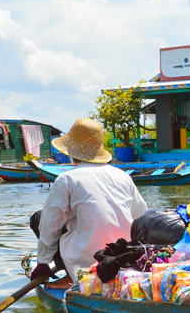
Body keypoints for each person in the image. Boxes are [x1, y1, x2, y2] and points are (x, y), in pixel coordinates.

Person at [30, 117, 147, 288]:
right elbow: (141, 217)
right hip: (123, 256)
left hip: (86, 263)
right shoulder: (122, 176)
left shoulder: (67, 179)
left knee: (38, 218)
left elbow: (50, 224)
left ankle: (71, 276)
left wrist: (42, 263)